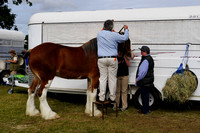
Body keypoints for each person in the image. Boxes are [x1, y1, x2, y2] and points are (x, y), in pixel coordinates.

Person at [97, 19, 129, 102]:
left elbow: (103, 29)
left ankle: (101, 96)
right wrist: (126, 29)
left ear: (104, 26)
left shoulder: (99, 33)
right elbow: (125, 38)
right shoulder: (114, 35)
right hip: (112, 58)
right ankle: (112, 97)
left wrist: (109, 24)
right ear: (111, 27)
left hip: (101, 59)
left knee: (103, 78)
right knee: (112, 79)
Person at [135, 46, 154, 114]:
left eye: (142, 51)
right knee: (146, 96)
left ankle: (145, 110)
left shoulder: (146, 60)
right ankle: (145, 109)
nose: (141, 52)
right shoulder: (149, 58)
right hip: (148, 80)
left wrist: (137, 79)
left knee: (144, 96)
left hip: (145, 81)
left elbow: (143, 72)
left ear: (145, 52)